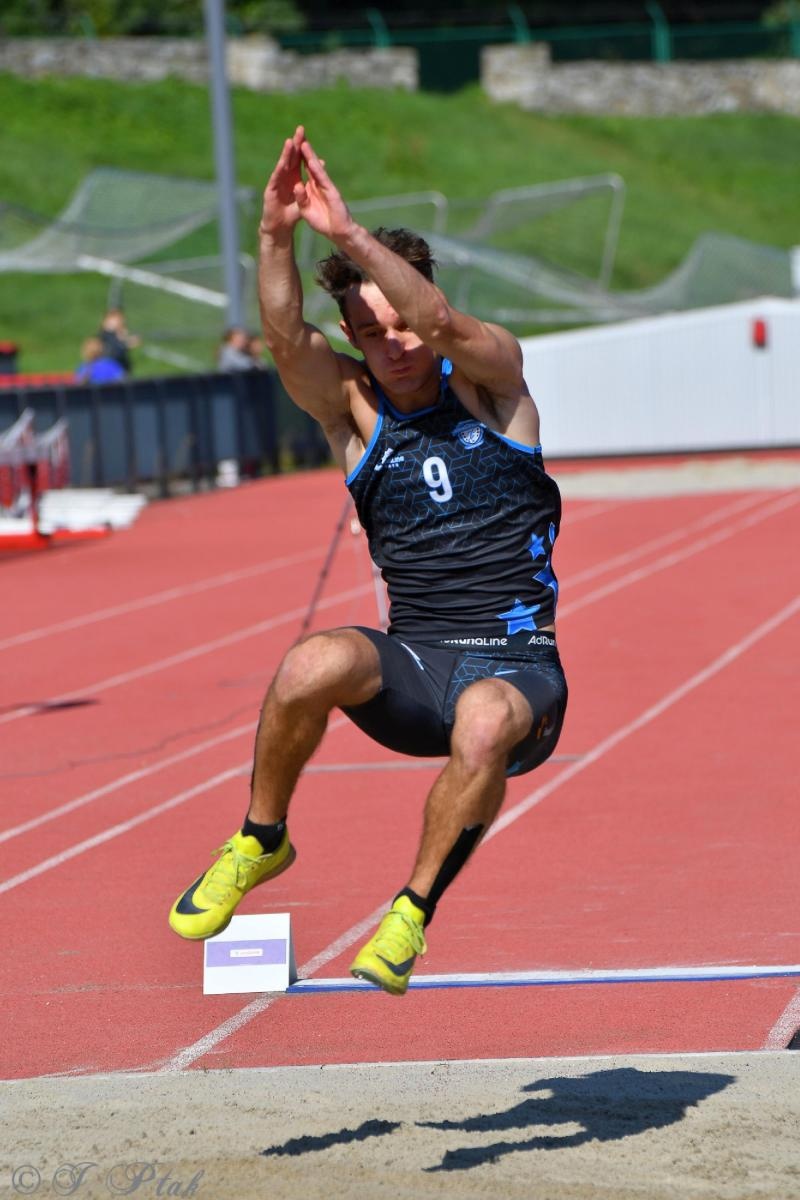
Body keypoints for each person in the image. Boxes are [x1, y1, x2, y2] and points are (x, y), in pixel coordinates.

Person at [169, 126, 568, 996]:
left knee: (486, 724)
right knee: (312, 660)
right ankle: (260, 839)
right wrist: (276, 232)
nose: (393, 346)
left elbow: (436, 321)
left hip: (516, 668)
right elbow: (282, 337)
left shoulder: (492, 383)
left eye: (399, 326)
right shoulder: (353, 408)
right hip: (417, 662)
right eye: (367, 333)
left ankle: (410, 914)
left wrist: (347, 235)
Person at [98, 308, 140, 375]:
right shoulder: (105, 336)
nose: (121, 321)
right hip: (110, 373)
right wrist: (126, 344)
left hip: (120, 371)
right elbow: (112, 352)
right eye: (117, 319)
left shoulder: (115, 335)